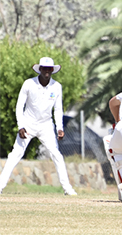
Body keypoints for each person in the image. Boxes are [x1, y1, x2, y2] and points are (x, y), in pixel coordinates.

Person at [0, 57, 77, 196]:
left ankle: (68, 189)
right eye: (44, 68)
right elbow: (19, 106)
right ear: (40, 69)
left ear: (52, 70)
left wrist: (60, 128)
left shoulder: (56, 86)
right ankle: (0, 186)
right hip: (28, 123)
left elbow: (58, 110)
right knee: (16, 154)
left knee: (56, 155)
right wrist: (21, 126)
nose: (47, 71)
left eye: (49, 69)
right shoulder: (28, 84)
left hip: (46, 125)